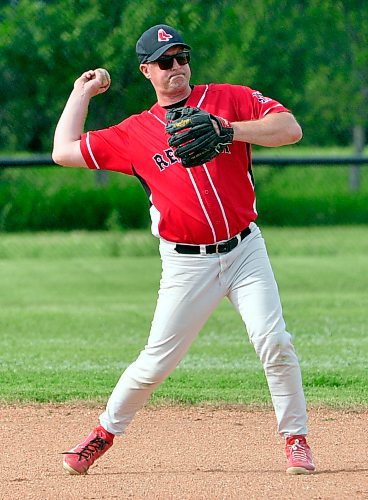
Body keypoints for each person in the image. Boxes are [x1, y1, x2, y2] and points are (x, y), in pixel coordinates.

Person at [53, 24, 315, 476]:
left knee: (274, 340)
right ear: (146, 70)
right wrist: (82, 94)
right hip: (185, 263)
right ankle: (103, 433)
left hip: (245, 252)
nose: (176, 67)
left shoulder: (228, 99)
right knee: (156, 361)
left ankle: (296, 438)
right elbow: (63, 150)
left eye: (181, 57)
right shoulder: (136, 132)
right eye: (164, 61)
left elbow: (290, 129)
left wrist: (227, 129)